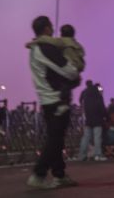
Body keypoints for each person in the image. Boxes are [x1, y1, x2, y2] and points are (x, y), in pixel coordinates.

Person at [26, 15, 81, 189]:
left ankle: (59, 174)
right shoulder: (45, 48)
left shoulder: (34, 48)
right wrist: (75, 74)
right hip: (57, 99)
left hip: (47, 100)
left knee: (56, 139)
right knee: (55, 140)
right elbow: (69, 70)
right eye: (51, 26)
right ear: (47, 28)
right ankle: (38, 174)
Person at [77, 80, 108, 161]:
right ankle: (98, 155)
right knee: (97, 137)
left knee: (86, 137)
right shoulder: (98, 94)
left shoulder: (85, 93)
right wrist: (106, 116)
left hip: (89, 118)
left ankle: (82, 155)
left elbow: (80, 101)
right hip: (97, 119)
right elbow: (102, 107)